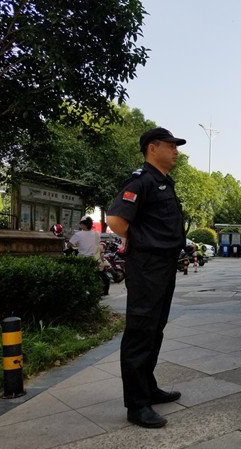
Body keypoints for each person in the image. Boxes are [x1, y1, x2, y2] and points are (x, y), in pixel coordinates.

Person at [106, 127, 187, 428]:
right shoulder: (140, 181)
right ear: (152, 148)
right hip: (147, 266)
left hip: (163, 265)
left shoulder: (163, 182)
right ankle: (137, 404)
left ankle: (148, 387)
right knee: (141, 332)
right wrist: (142, 240)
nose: (176, 151)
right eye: (170, 145)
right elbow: (115, 220)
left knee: (155, 330)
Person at [67, 216, 109, 296]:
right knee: (94, 275)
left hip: (82, 259)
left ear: (83, 225)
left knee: (81, 276)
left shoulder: (78, 234)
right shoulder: (96, 234)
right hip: (94, 259)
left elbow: (69, 245)